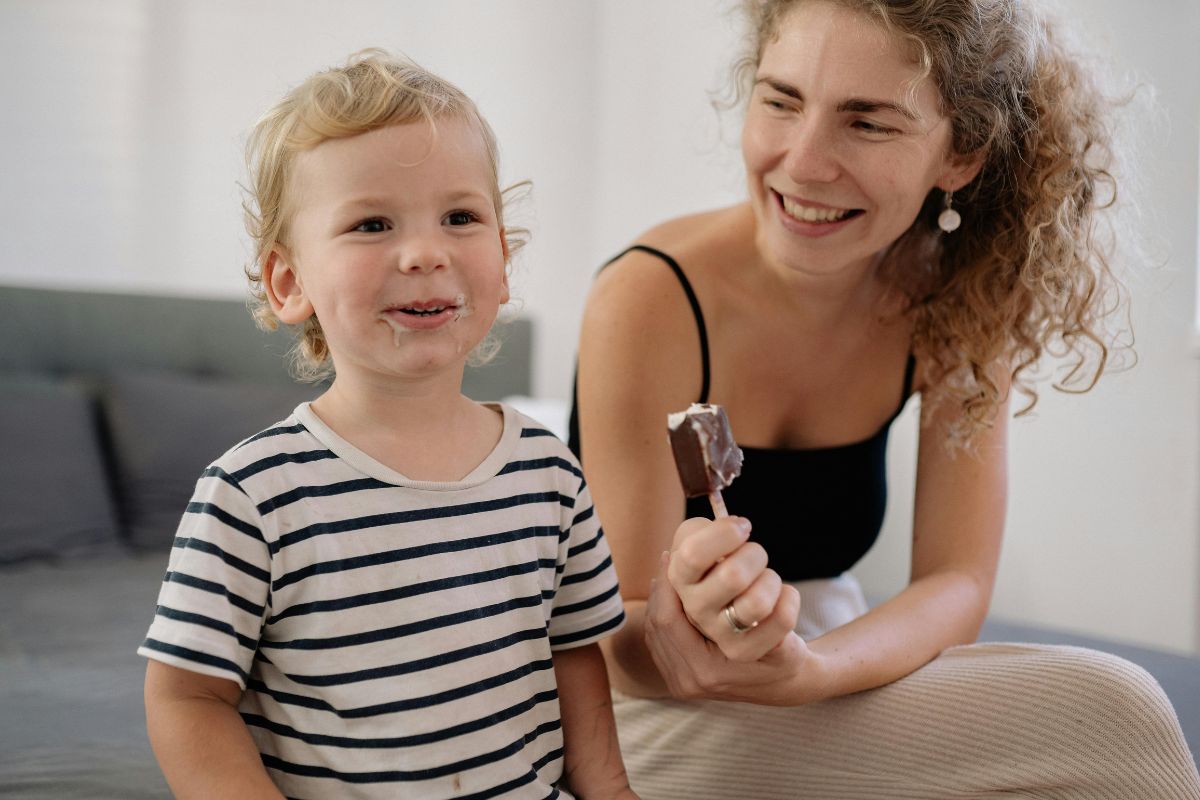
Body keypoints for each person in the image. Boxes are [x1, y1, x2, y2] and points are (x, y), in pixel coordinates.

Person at [570, 1, 1200, 798]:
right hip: (646, 711)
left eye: (867, 123)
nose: (802, 163)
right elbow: (615, 639)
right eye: (781, 100)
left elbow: (957, 582)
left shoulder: (964, 303)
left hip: (827, 669)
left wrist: (814, 670)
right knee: (1117, 713)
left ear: (962, 154)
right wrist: (678, 639)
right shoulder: (651, 295)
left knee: (1118, 718)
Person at [140, 50, 636, 800]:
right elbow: (185, 697)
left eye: (461, 217)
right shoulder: (253, 495)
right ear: (290, 280)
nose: (426, 253)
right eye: (372, 223)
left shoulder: (549, 471)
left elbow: (573, 653)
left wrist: (611, 791)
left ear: (502, 260)